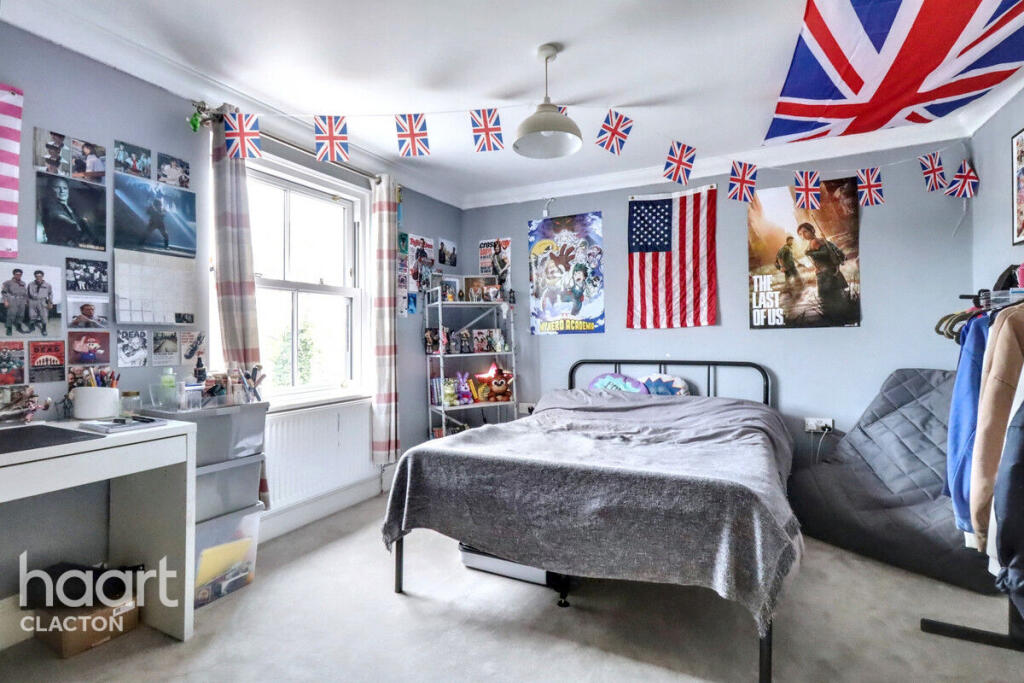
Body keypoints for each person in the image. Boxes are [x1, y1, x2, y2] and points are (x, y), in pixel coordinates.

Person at [797, 222, 849, 316]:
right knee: (835, 296)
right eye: (800, 234)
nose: (803, 235)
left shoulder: (815, 241)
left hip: (825, 274)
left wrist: (810, 253)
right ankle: (840, 315)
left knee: (826, 298)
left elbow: (825, 253)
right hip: (828, 271)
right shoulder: (818, 240)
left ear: (812, 230)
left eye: (805, 232)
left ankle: (835, 317)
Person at [38, 176, 99, 246]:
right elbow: (58, 217)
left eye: (65, 188)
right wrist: (74, 226)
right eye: (57, 187)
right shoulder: (48, 204)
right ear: (50, 190)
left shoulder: (74, 209)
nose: (62, 191)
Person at [1, 268, 29, 336]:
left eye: (20, 274)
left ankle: (19, 326)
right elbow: (4, 292)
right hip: (13, 300)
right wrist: (5, 301)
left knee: (21, 314)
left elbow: (25, 293)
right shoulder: (8, 282)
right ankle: (9, 327)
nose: (18, 276)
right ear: (14, 274)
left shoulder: (23, 283)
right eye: (17, 274)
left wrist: (27, 301)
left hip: (22, 300)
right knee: (11, 314)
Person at [26, 270, 54, 336]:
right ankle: (32, 327)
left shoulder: (47, 285)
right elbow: (27, 294)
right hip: (32, 301)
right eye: (37, 276)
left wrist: (50, 303)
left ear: (42, 276)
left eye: (40, 276)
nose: (38, 278)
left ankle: (44, 329)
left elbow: (50, 294)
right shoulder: (30, 284)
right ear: (35, 276)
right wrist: (27, 302)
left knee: (44, 316)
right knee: (32, 315)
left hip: (42, 301)